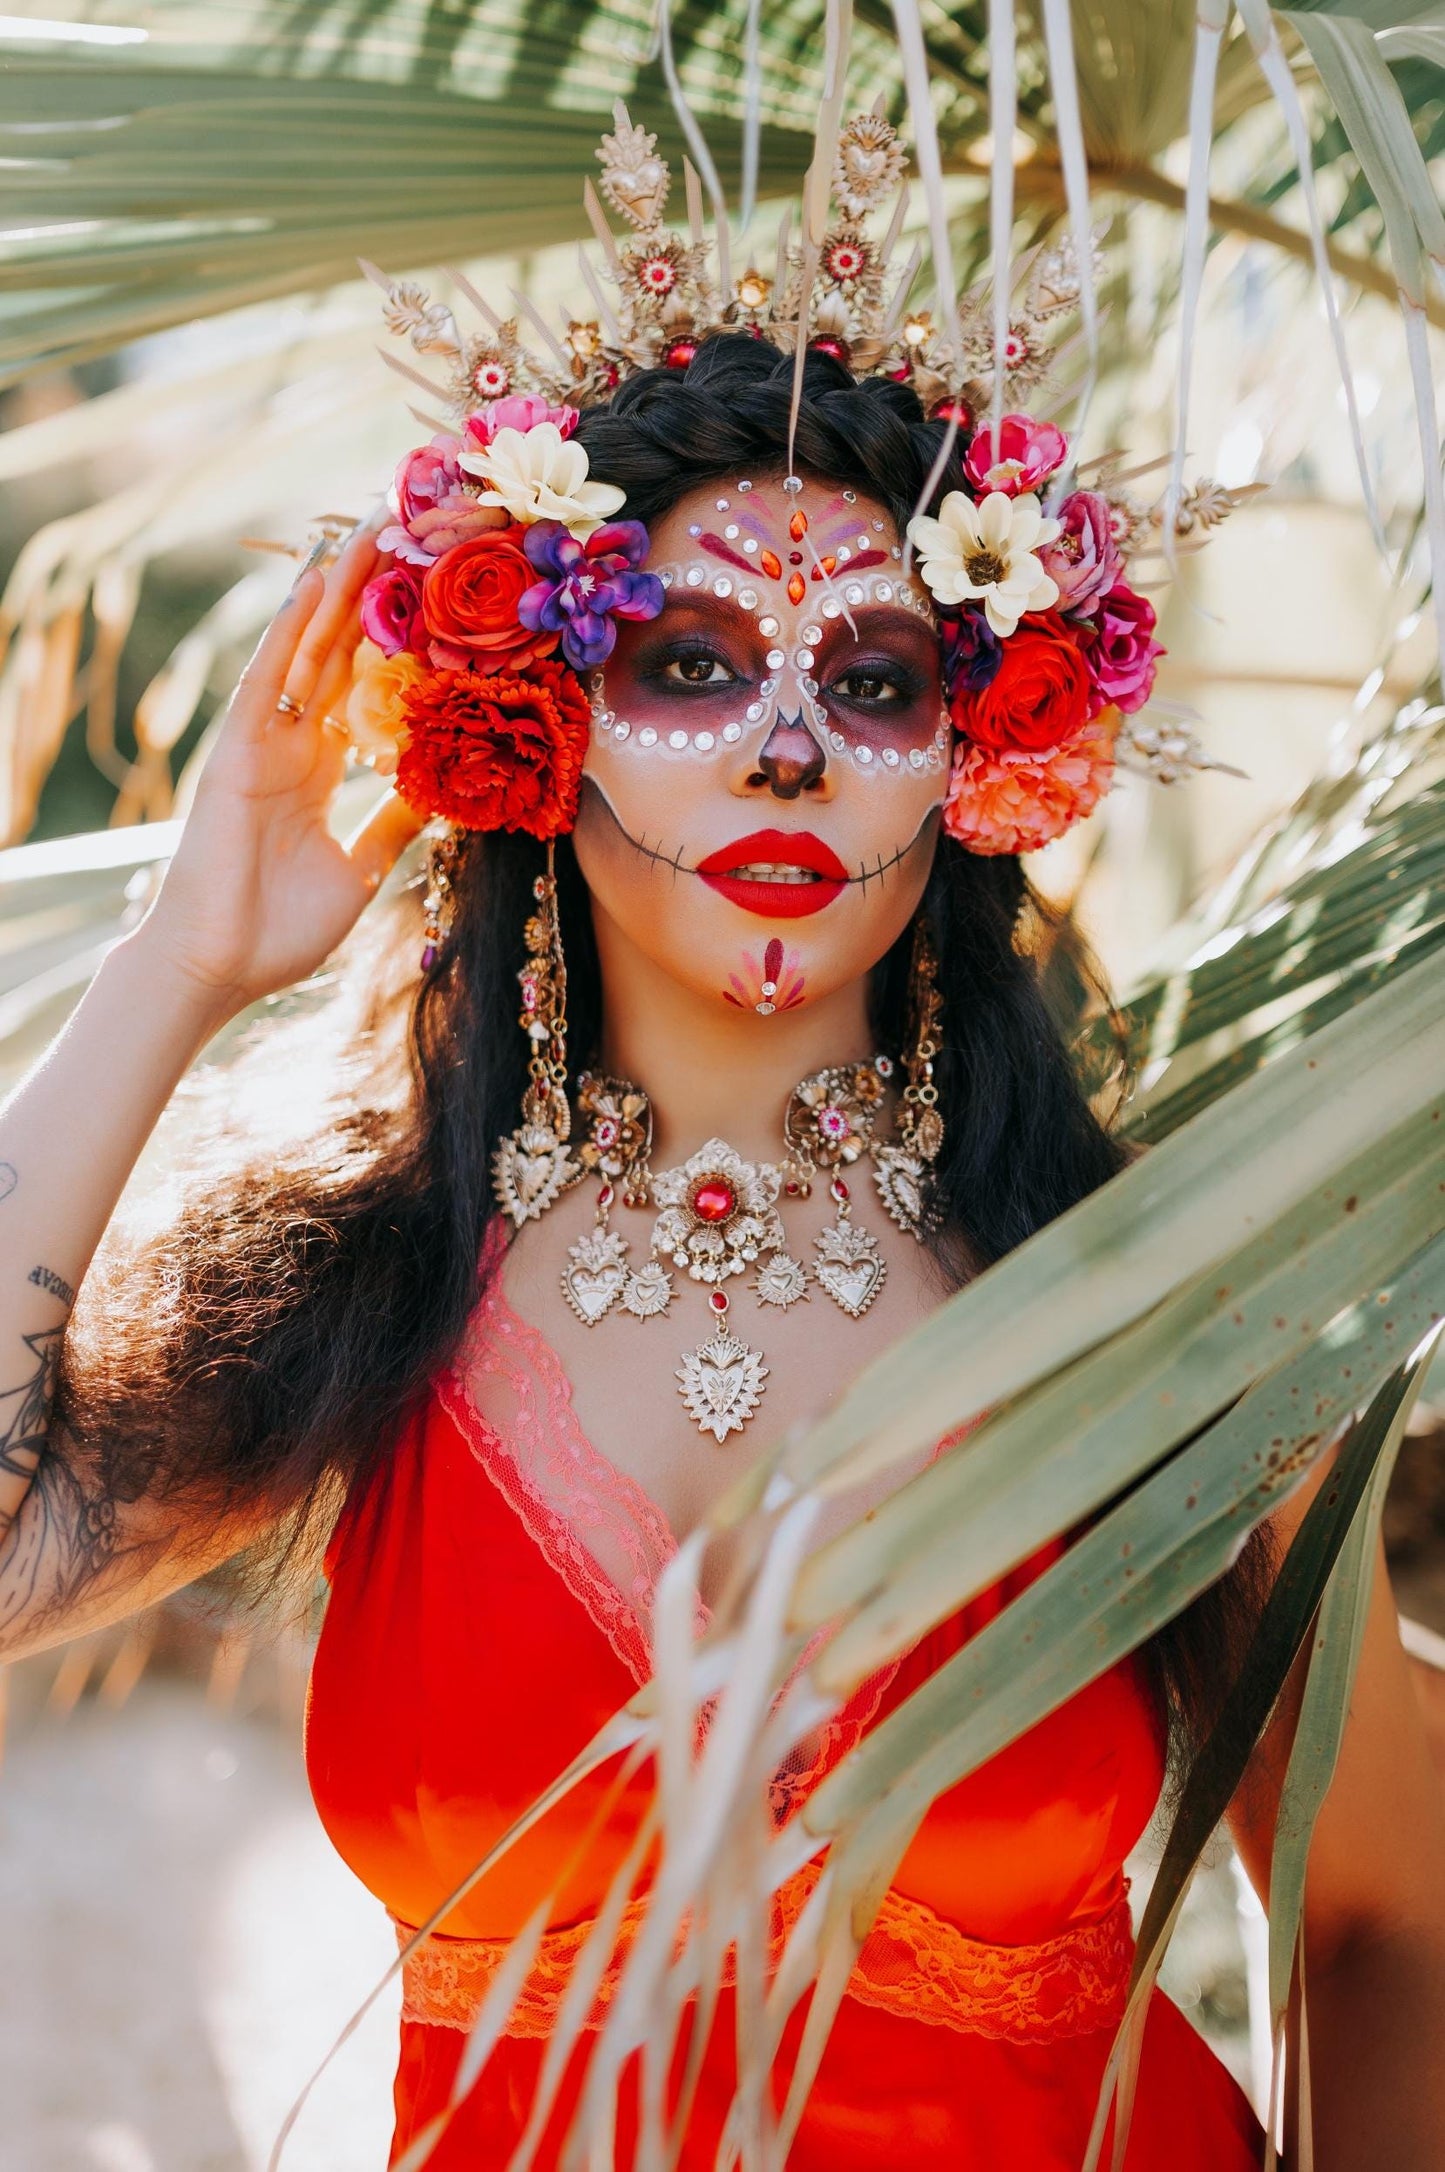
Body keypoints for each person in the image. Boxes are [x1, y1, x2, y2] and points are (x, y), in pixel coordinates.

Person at [2, 132, 1444, 2170]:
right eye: (686, 665)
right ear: (535, 722)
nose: (785, 746)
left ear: (975, 753)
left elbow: (1392, 1926)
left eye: (873, 680)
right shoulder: (362, 1285)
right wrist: (179, 966)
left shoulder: (1155, 1310)